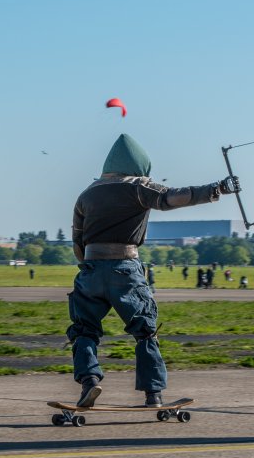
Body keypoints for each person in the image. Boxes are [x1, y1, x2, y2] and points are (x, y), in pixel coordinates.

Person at [68, 133, 240, 408]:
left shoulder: (87, 194)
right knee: (145, 331)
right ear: (139, 165)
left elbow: (77, 240)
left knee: (83, 330)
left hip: (89, 269)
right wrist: (217, 188)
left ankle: (89, 382)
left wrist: (89, 267)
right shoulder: (138, 186)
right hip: (124, 268)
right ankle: (153, 395)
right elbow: (174, 198)